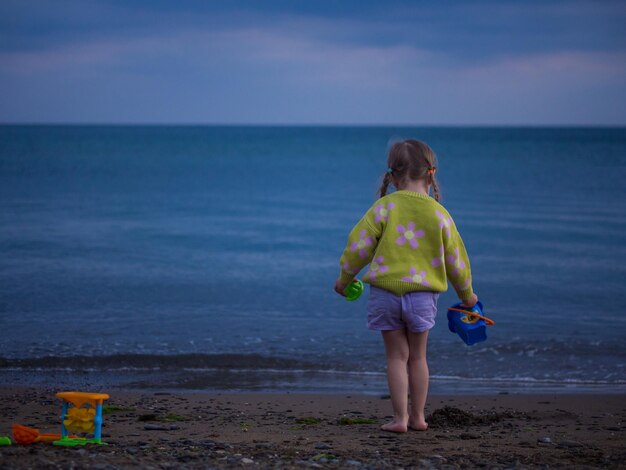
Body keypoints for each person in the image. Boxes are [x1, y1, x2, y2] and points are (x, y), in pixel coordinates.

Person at [334, 139, 478, 433]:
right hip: (423, 296)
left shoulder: (384, 207)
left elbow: (358, 247)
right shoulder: (439, 214)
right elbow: (456, 260)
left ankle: (399, 419)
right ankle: (419, 418)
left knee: (396, 358)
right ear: (431, 173)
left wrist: (344, 279)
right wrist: (467, 296)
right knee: (418, 357)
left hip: (386, 294)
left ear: (392, 174)